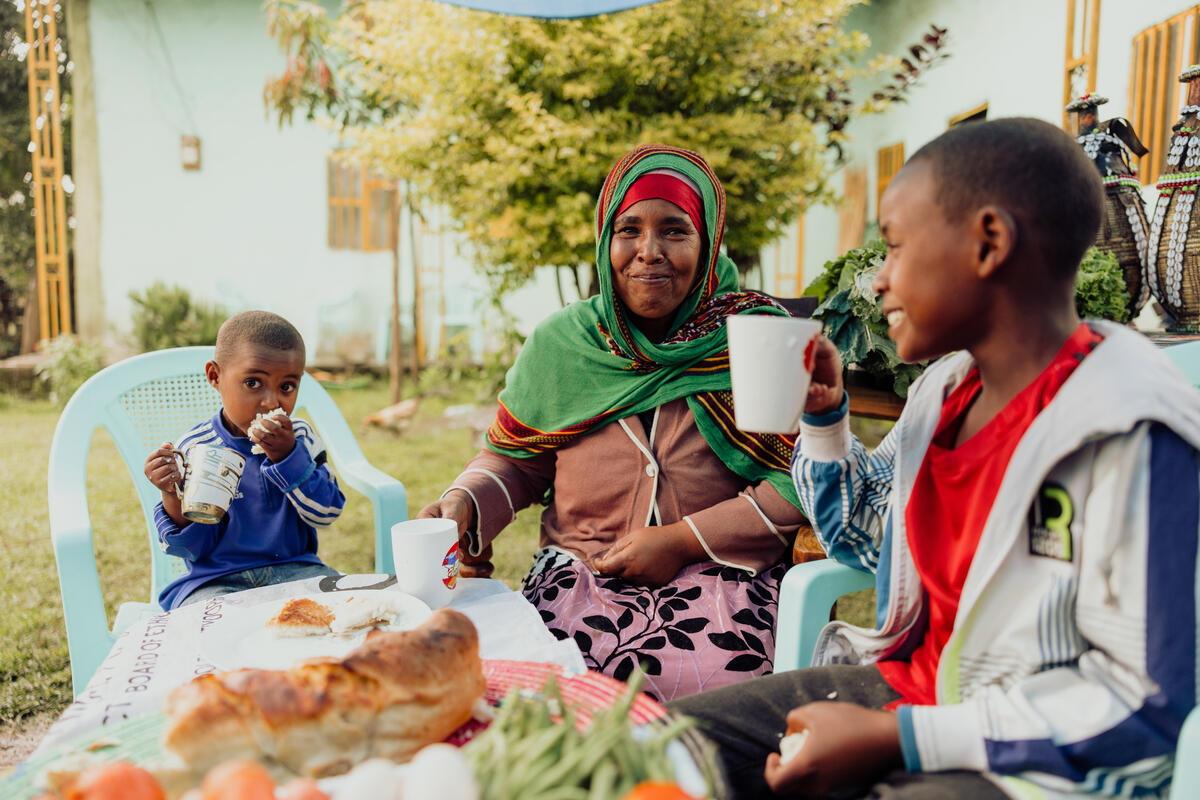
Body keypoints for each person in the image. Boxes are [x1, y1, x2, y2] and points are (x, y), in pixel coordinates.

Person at [671, 118, 1200, 799]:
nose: (878, 282)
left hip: (1043, 763)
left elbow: (1144, 705)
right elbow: (865, 542)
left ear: (989, 243)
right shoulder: (945, 393)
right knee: (660, 742)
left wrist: (903, 740)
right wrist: (827, 422)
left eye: (892, 249)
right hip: (915, 687)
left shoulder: (1131, 430)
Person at [419, 145, 807, 701]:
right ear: (606, 240)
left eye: (675, 231)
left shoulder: (754, 336)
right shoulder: (563, 345)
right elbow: (514, 460)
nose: (649, 252)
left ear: (708, 241)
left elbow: (803, 479)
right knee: (526, 685)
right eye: (629, 229)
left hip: (721, 580)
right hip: (576, 577)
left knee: (710, 693)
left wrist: (681, 541)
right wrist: (465, 502)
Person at [144, 311, 343, 610]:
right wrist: (171, 494)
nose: (271, 402)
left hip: (297, 571)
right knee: (201, 632)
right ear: (215, 376)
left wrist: (288, 458)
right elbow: (187, 548)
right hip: (216, 581)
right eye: (253, 383)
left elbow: (326, 513)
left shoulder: (299, 437)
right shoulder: (196, 448)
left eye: (287, 386)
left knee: (341, 612)